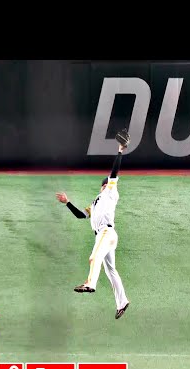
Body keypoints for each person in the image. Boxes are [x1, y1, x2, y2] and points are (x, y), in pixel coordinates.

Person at [55, 129, 131, 320]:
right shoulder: (96, 202)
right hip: (105, 236)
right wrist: (67, 203)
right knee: (111, 270)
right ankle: (122, 302)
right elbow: (81, 215)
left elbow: (114, 173)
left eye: (109, 183)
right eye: (105, 184)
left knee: (94, 257)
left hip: (106, 233)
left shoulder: (111, 193)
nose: (107, 185)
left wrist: (120, 151)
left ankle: (90, 283)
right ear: (102, 186)